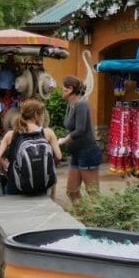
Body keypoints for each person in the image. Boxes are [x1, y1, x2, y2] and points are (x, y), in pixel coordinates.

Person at [0, 99, 61, 197]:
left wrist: (8, 173)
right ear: (36, 115)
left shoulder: (11, 134)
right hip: (41, 185)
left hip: (15, 185)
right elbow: (58, 157)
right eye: (42, 114)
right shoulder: (48, 133)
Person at [56, 76, 101, 204]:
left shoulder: (81, 104)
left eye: (63, 88)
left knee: (93, 193)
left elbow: (80, 130)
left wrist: (64, 140)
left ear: (70, 89)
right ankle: (84, 219)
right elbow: (71, 127)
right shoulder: (70, 105)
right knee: (72, 191)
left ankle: (99, 221)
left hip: (88, 152)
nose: (61, 90)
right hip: (76, 153)